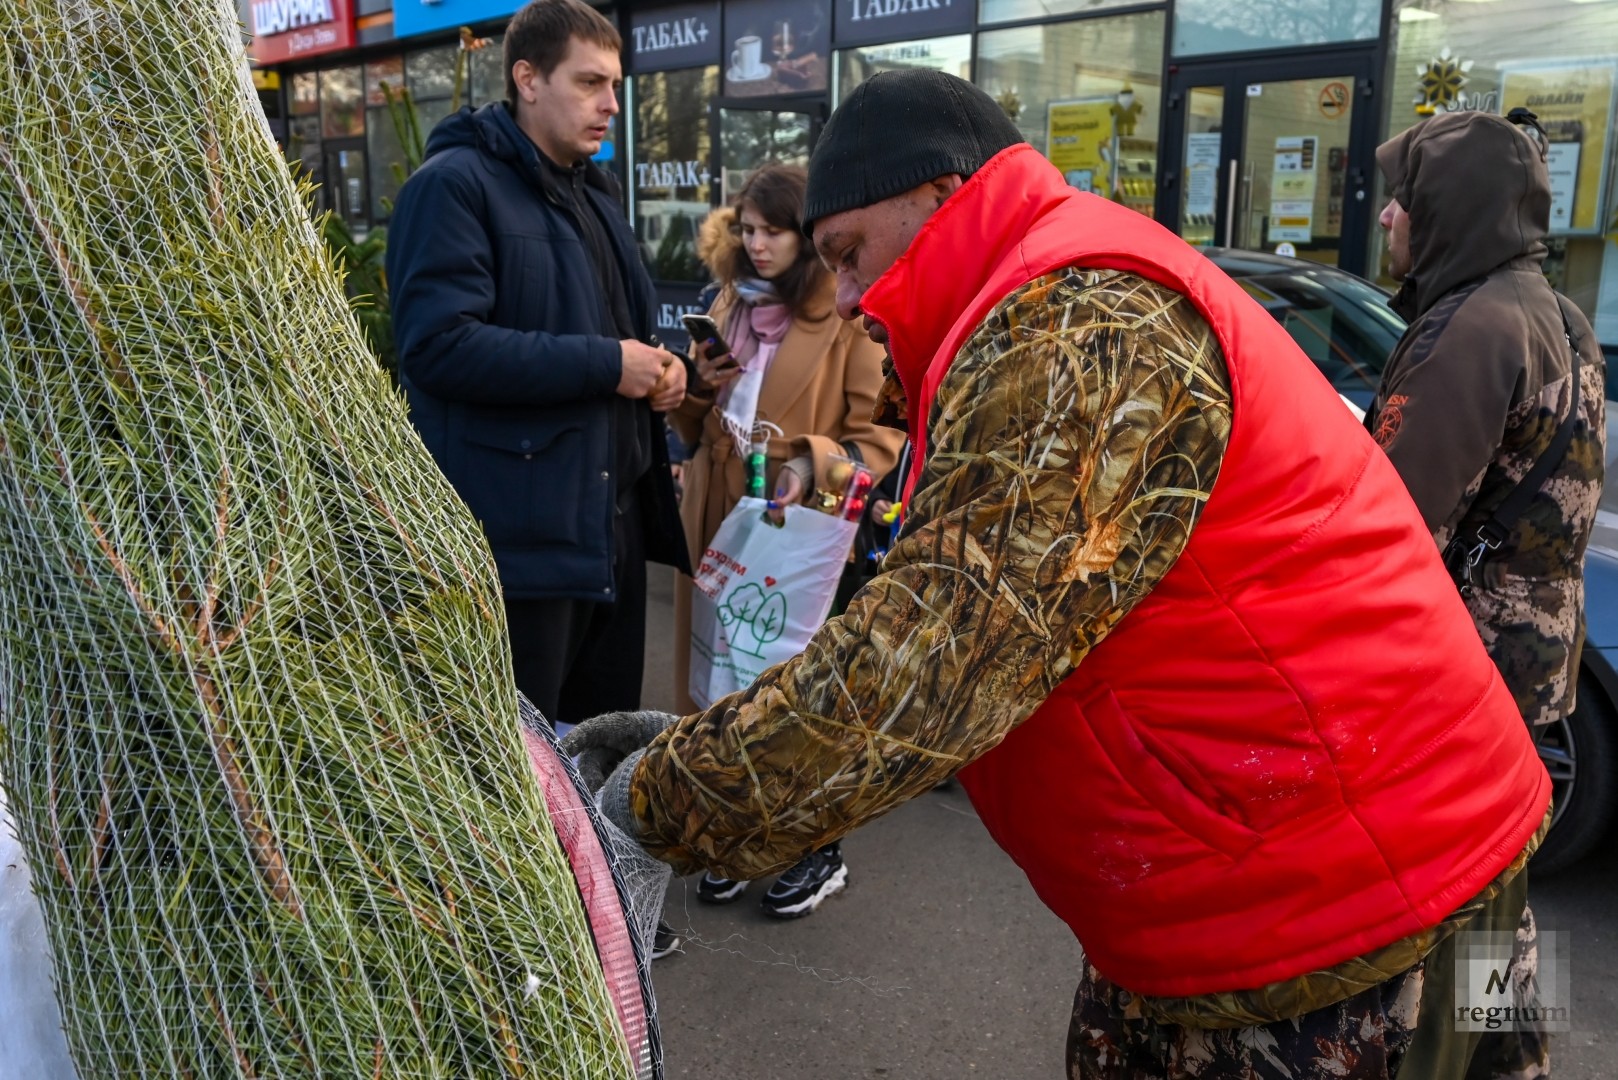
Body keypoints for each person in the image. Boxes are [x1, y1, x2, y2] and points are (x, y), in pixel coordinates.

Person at [563, 71, 1551, 1076]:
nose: (851, 299)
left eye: (850, 253)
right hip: (1406, 859)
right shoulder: (1053, 291)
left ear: (946, 198)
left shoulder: (1075, 317)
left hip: (1350, 921)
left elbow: (938, 656)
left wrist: (661, 800)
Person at [386, 0, 690, 731]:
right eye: (590, 83)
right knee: (518, 776)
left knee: (597, 757)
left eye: (615, 85)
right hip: (517, 549)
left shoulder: (595, 194)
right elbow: (437, 347)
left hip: (605, 536)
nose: (612, 105)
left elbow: (614, 337)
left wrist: (665, 372)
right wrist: (609, 365)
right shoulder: (452, 186)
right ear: (527, 78)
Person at [671, 165, 903, 916]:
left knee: (800, 697)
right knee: (720, 686)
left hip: (800, 533)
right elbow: (699, 425)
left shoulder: (846, 316)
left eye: (772, 229)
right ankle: (738, 832)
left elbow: (882, 434)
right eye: (745, 228)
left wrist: (809, 463)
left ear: (809, 235)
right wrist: (697, 388)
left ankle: (815, 846)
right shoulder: (732, 301)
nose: (755, 243)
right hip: (717, 516)